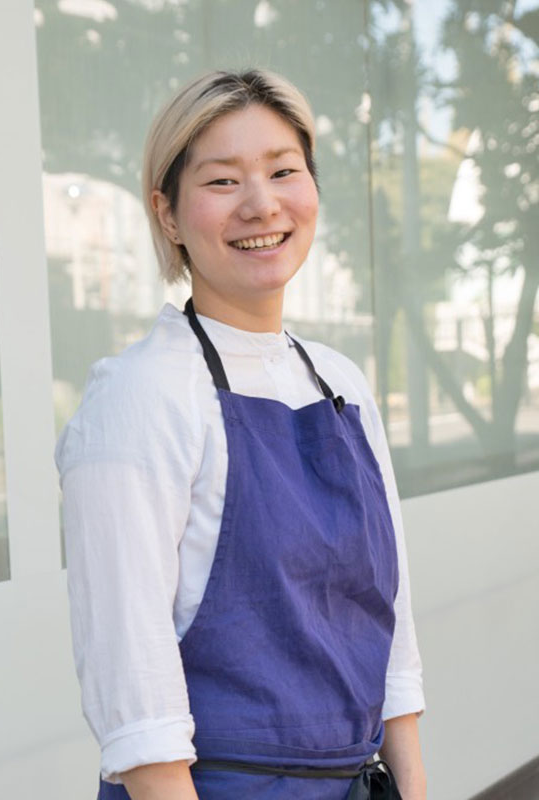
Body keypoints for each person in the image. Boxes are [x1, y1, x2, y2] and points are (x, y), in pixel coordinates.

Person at [55, 69, 426, 800]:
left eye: (284, 170)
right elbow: (139, 712)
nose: (263, 204)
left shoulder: (341, 385)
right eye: (223, 181)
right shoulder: (141, 398)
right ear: (166, 213)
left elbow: (395, 644)